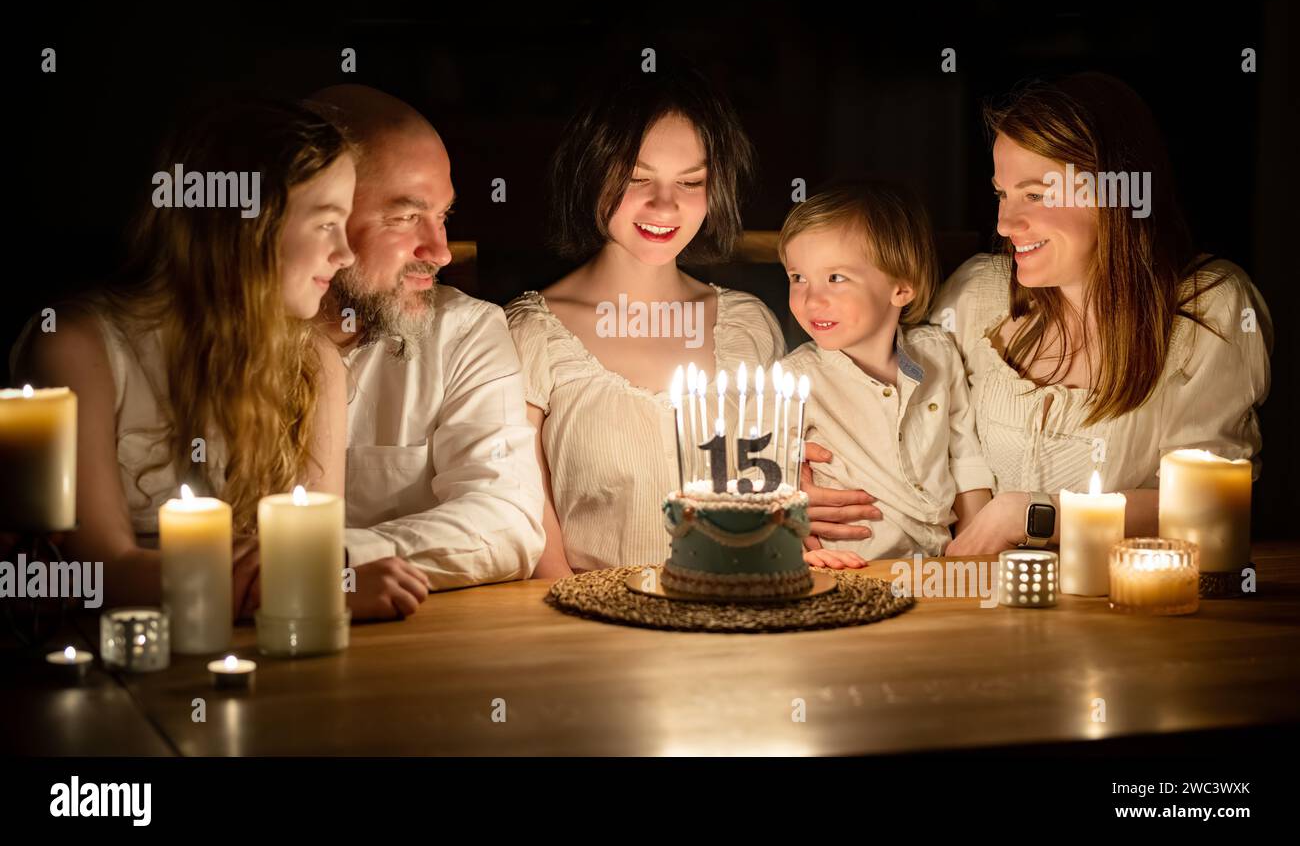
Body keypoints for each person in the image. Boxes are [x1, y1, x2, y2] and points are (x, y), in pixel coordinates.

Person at [506, 62, 867, 575]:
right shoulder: (532, 335)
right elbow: (526, 515)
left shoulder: (747, 324)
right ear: (591, 171)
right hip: (596, 630)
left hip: (737, 616)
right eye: (637, 178)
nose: (665, 204)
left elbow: (780, 483)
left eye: (691, 181)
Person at [10, 97, 363, 616]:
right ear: (245, 223)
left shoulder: (313, 365)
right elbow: (99, 572)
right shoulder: (79, 348)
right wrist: (317, 587)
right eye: (326, 223)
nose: (347, 253)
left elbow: (317, 554)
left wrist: (314, 581)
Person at [933, 73, 1272, 554]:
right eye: (1002, 194)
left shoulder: (1210, 307)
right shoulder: (975, 294)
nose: (1005, 224)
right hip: (981, 605)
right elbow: (902, 416)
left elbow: (1209, 507)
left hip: (1129, 609)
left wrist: (1029, 513)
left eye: (1036, 194)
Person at [309, 85, 545, 608]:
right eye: (404, 216)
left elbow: (507, 523)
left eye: (442, 217)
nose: (439, 252)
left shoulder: (465, 331)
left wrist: (325, 565)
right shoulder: (186, 345)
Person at [780, 181, 995, 562]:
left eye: (836, 278)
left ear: (901, 288)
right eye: (799, 278)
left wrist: (976, 557)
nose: (812, 299)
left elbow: (964, 457)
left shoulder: (939, 355)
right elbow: (762, 479)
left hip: (937, 566)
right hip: (845, 566)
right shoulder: (792, 380)